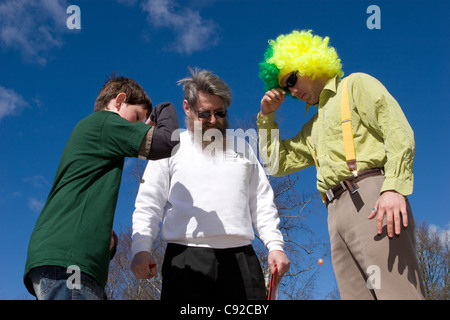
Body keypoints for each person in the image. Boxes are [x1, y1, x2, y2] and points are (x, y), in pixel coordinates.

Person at [256, 30, 425, 299]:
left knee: (396, 292)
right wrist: (267, 118)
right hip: (333, 213)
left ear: (311, 62)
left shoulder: (356, 85)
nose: (292, 90)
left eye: (291, 79)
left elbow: (397, 131)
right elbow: (276, 163)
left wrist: (393, 187)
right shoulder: (312, 128)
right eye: (285, 87)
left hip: (371, 196)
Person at [130, 67, 290, 300]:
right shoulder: (170, 148)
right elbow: (149, 203)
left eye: (220, 113)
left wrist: (275, 245)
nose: (213, 121)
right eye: (204, 114)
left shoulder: (243, 148)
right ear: (187, 107)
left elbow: (262, 201)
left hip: (242, 261)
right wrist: (141, 248)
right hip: (184, 262)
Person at [24, 75, 179, 300]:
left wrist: (105, 237)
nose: (137, 128)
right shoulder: (105, 122)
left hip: (69, 265)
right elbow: (167, 142)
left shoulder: (96, 135)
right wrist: (163, 108)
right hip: (70, 264)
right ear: (118, 102)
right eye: (136, 117)